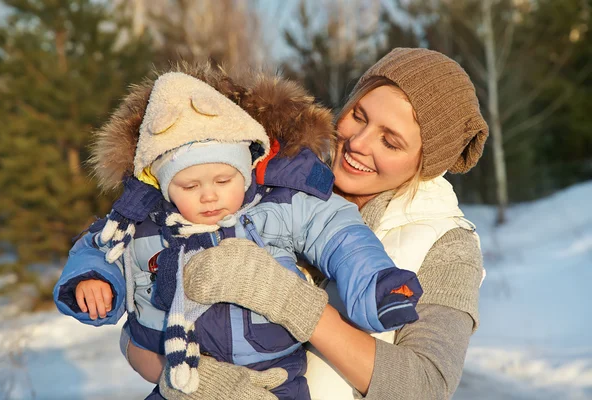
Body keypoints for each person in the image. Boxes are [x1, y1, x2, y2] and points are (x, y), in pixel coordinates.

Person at [53, 66, 424, 400]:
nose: (209, 195)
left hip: (274, 376)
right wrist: (93, 279)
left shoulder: (271, 209)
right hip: (179, 382)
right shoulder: (144, 222)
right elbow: (101, 246)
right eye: (189, 185)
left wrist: (375, 283)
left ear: (246, 169)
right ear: (163, 186)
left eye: (222, 179)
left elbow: (337, 232)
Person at [177, 47, 488, 400]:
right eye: (358, 116)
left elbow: (424, 385)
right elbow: (144, 316)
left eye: (389, 141)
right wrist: (194, 378)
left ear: (425, 163)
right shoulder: (268, 175)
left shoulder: (447, 244)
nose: (358, 143)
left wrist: (288, 299)